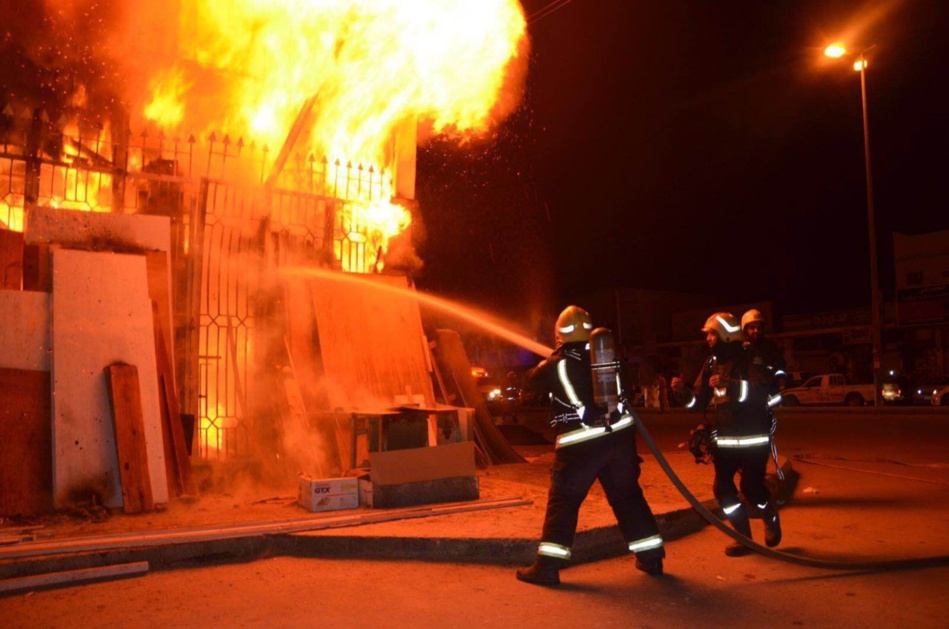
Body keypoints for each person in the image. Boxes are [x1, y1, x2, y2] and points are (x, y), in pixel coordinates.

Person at [516, 305, 665, 585]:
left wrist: (552, 357)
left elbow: (530, 382)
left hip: (580, 446)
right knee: (628, 498)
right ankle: (651, 557)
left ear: (559, 334)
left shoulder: (557, 363)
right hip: (620, 441)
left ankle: (547, 566)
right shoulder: (606, 358)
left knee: (564, 502)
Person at [678, 312, 782, 556]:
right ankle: (743, 538)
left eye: (712, 334)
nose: (709, 339)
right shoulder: (712, 363)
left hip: (753, 440)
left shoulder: (751, 357)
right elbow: (697, 401)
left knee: (751, 487)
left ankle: (769, 514)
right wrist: (681, 393)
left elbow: (761, 391)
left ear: (725, 334)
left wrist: (731, 385)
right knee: (723, 490)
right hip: (724, 441)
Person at [741, 309, 787, 481]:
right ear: (744, 329)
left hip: (764, 401)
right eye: (752, 327)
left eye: (758, 327)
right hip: (744, 403)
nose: (756, 331)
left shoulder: (770, 348)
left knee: (763, 438)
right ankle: (747, 470)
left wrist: (779, 377)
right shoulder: (739, 348)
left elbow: (780, 365)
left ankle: (758, 470)